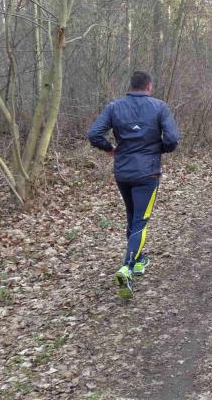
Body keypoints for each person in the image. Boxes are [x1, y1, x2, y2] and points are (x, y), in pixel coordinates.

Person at [87, 71, 180, 299]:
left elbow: (94, 134)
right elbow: (172, 140)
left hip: (123, 172)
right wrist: (158, 149)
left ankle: (139, 260)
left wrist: (110, 148)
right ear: (149, 86)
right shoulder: (159, 107)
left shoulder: (114, 107)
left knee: (132, 216)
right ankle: (127, 267)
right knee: (140, 220)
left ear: (131, 86)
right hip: (148, 173)